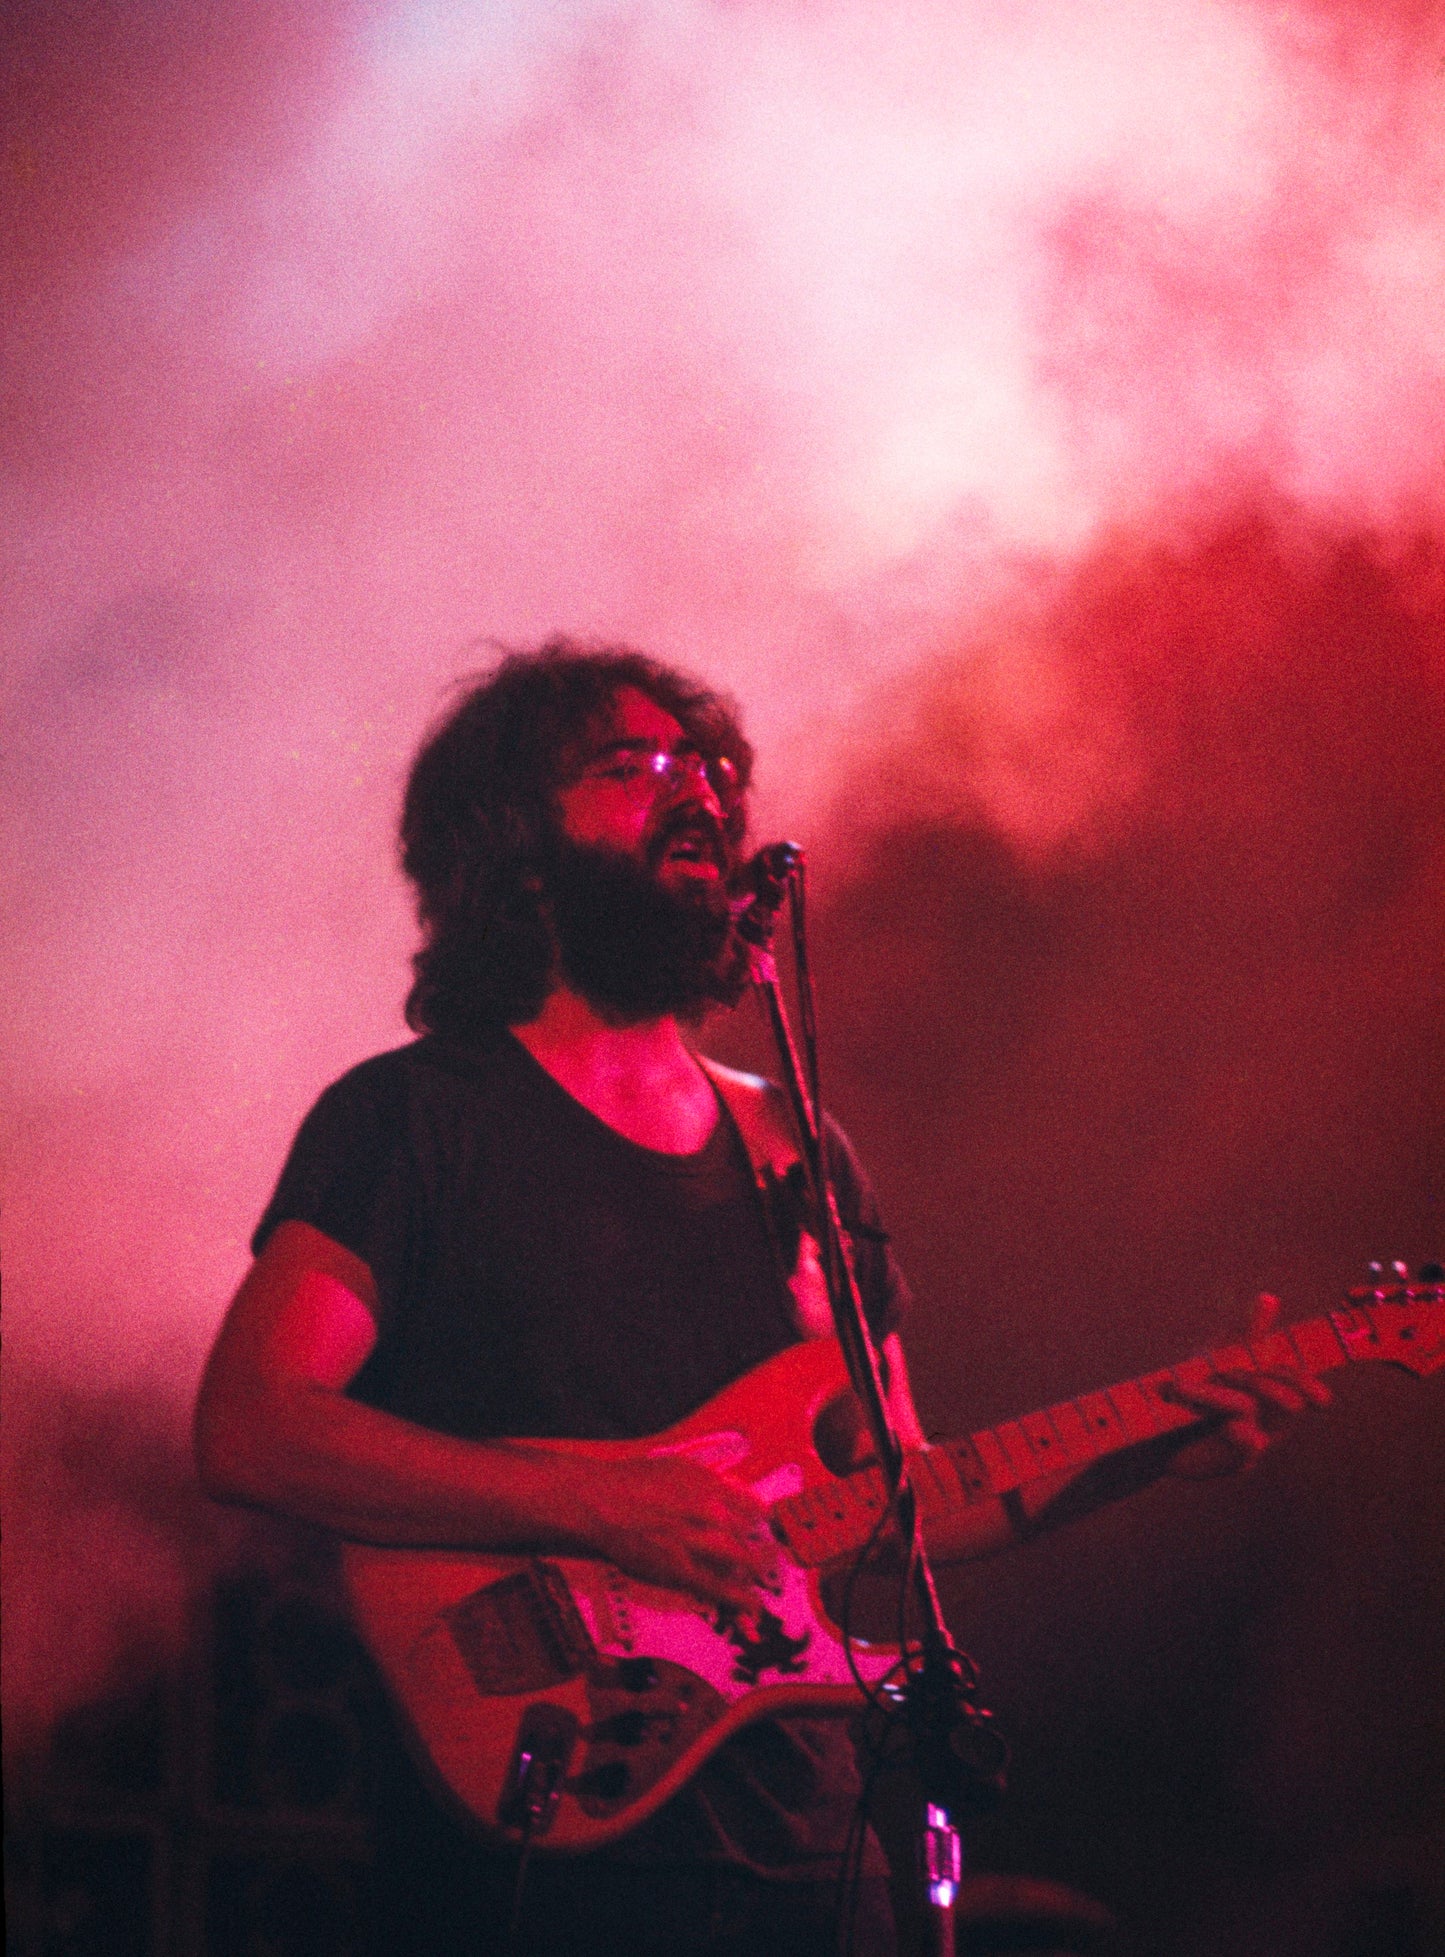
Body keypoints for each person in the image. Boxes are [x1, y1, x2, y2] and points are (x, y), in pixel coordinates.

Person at [194, 641, 1327, 1957]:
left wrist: (1155, 1441)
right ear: (516, 844)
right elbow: (251, 1425)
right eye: (631, 765)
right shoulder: (411, 1119)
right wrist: (591, 1503)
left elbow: (907, 1498)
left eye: (709, 768)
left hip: (809, 1855)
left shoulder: (798, 1147)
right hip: (539, 1843)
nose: (696, 791)